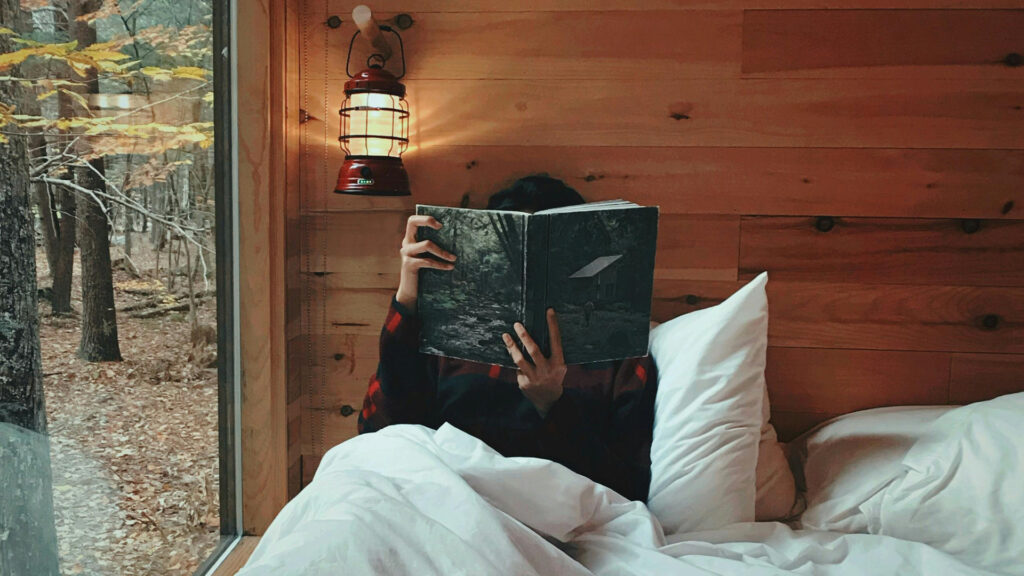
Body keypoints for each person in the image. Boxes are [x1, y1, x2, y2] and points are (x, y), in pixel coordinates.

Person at [357, 175, 658, 502]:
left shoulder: (619, 351)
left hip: (550, 516)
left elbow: (628, 488)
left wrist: (552, 405)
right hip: (444, 500)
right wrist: (408, 300)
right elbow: (379, 433)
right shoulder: (449, 335)